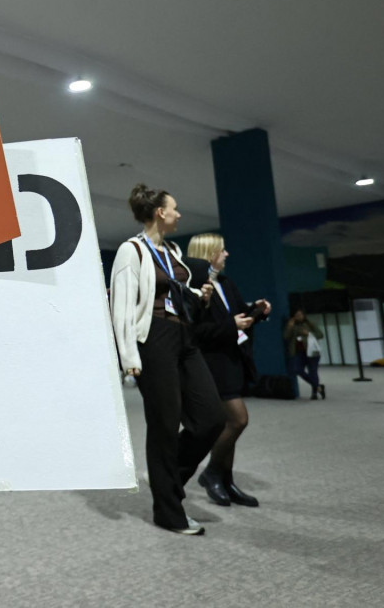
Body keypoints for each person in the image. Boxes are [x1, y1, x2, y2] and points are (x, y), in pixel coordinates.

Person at [110, 184, 225, 536]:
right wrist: (128, 357)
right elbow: (122, 307)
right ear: (160, 212)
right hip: (153, 339)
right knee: (164, 425)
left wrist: (199, 293)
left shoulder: (172, 251)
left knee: (211, 418)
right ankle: (168, 512)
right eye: (174, 209)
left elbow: (178, 291)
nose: (178, 214)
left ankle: (167, 479)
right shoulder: (132, 251)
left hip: (184, 337)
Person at [187, 234, 271, 508]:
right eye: (222, 250)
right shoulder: (193, 286)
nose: (226, 254)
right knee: (238, 420)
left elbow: (238, 315)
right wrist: (231, 325)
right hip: (211, 365)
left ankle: (226, 480)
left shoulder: (225, 283)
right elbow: (194, 332)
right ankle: (211, 473)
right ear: (209, 253)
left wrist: (258, 311)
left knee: (229, 424)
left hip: (232, 361)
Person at [285, 309, 325, 400]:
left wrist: (309, 333)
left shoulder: (310, 324)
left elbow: (320, 334)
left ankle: (314, 392)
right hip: (299, 352)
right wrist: (289, 327)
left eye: (300, 315)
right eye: (296, 315)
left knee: (313, 371)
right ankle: (318, 386)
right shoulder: (291, 325)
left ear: (304, 315)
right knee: (298, 370)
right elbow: (286, 337)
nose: (298, 317)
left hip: (311, 352)